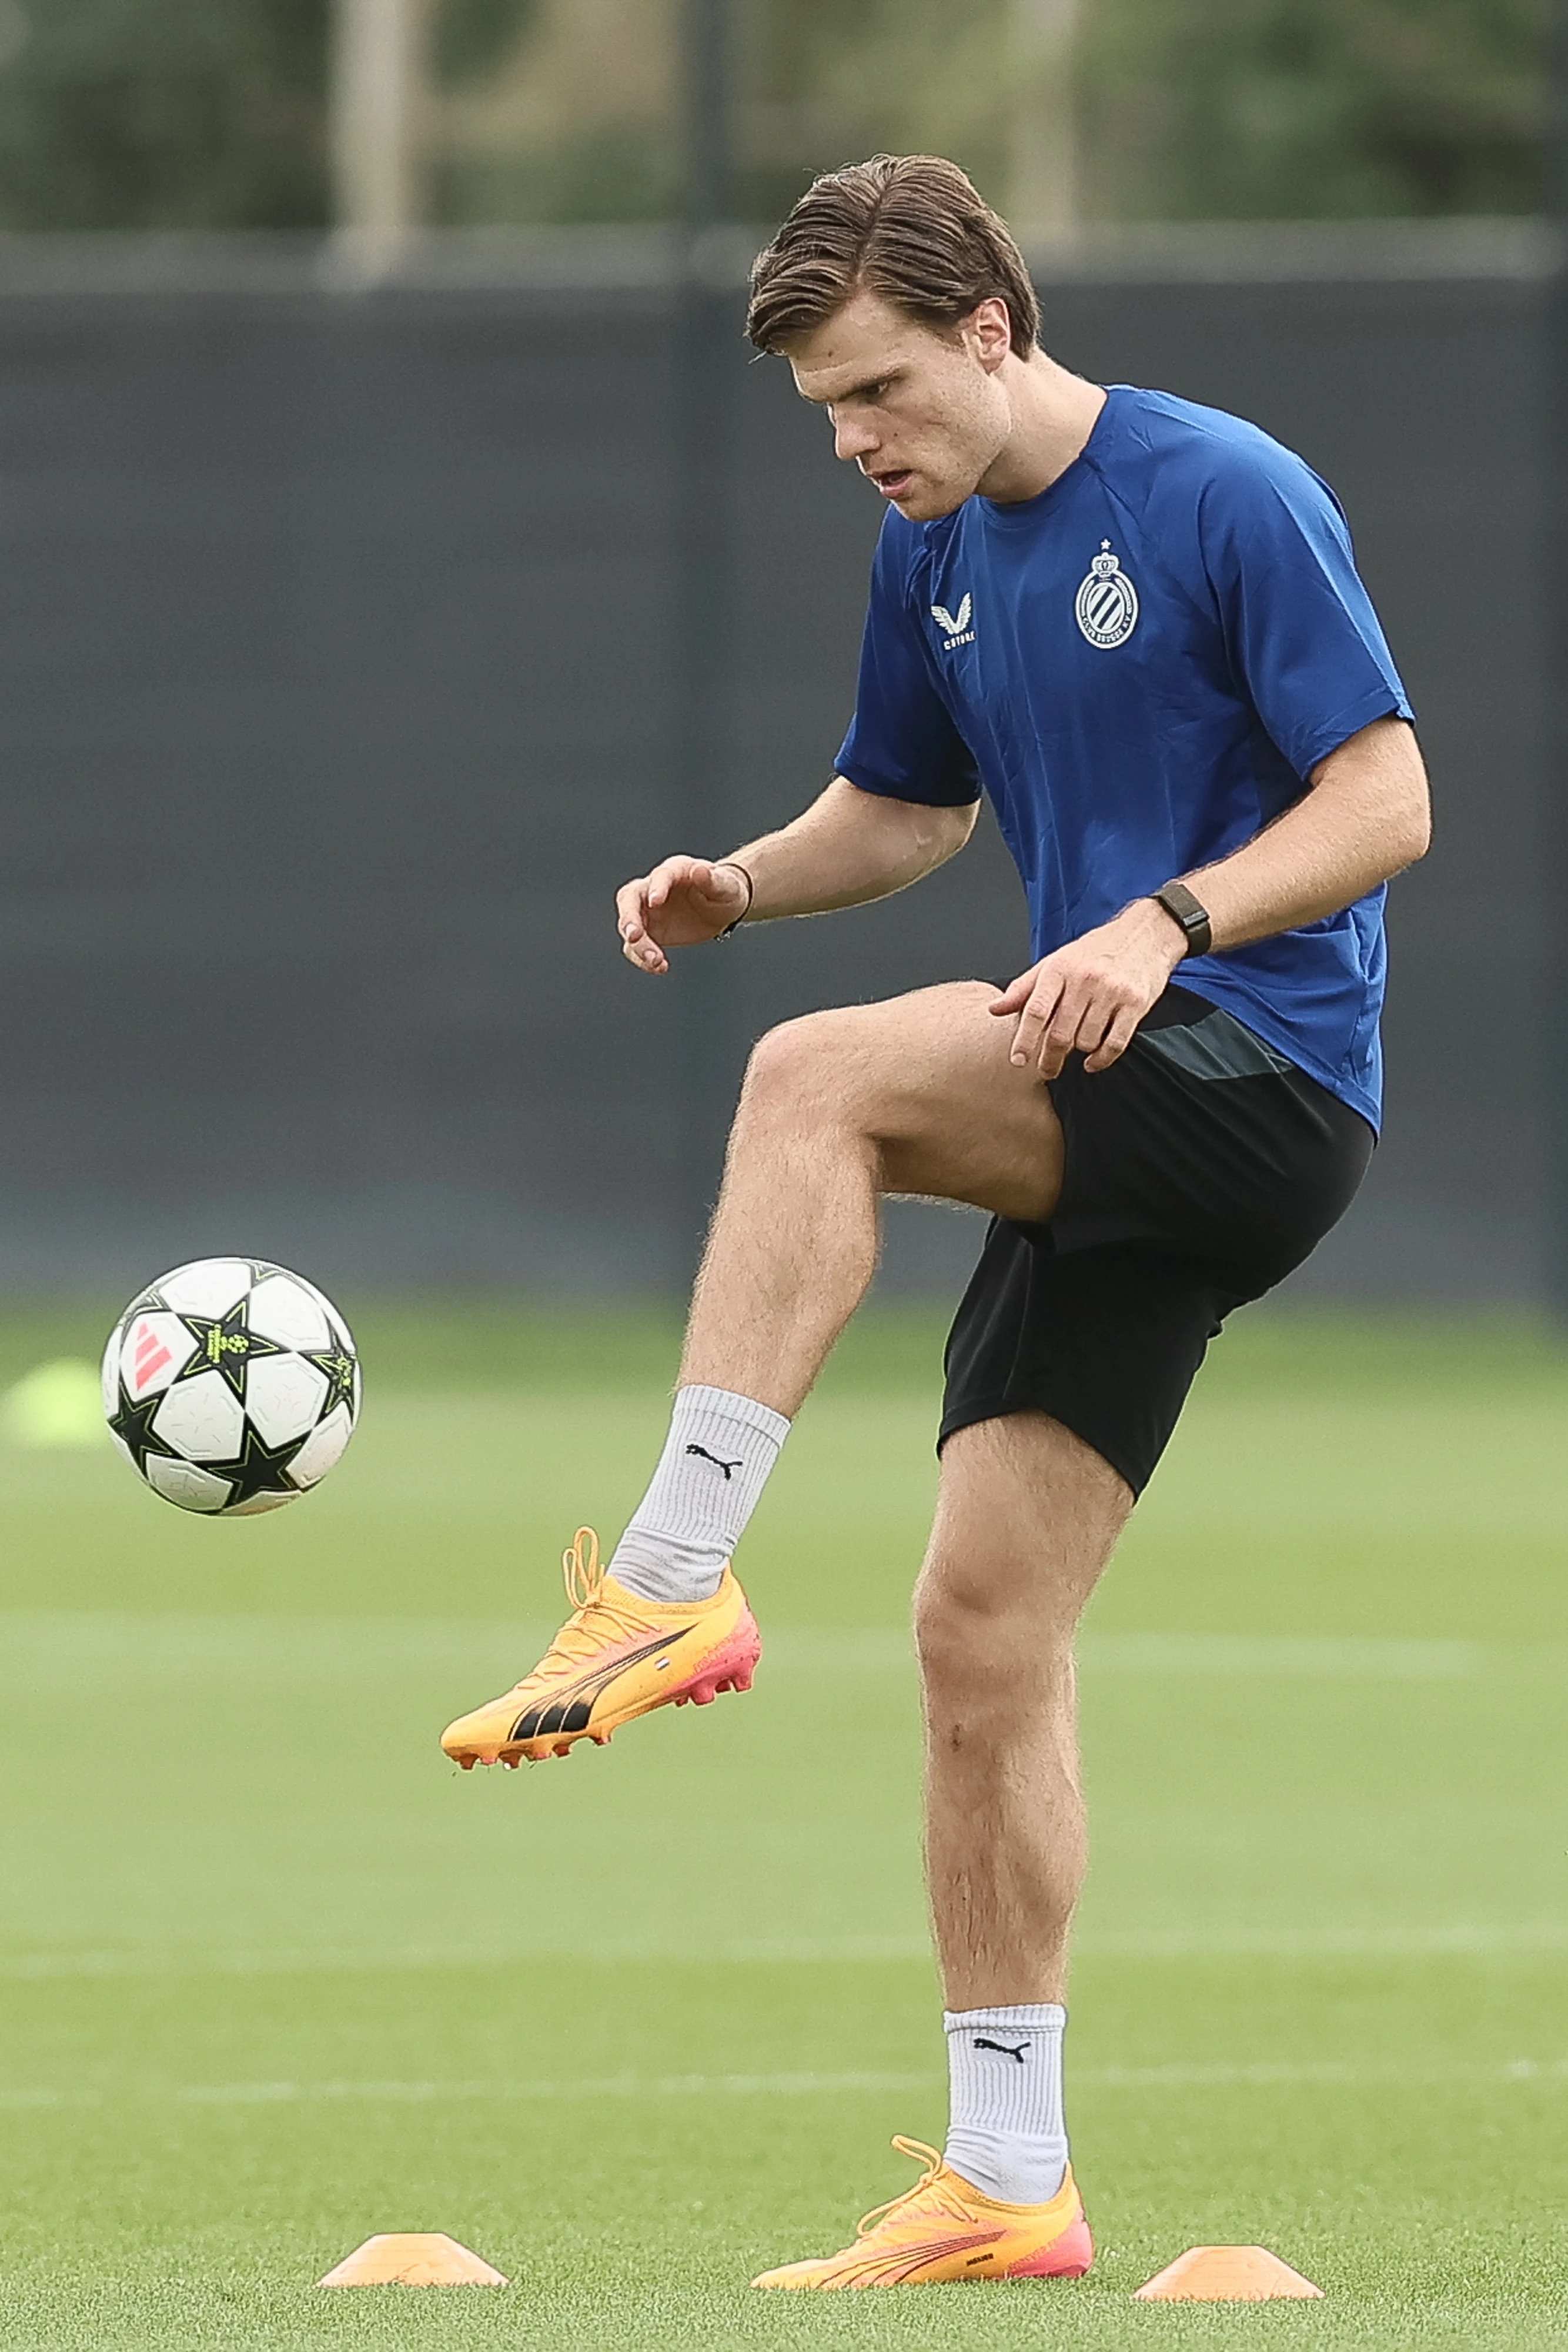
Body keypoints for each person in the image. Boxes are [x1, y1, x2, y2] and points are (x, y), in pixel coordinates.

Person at [442, 153, 1430, 2288]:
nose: (855, 440)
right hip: (1114, 1086)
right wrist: (748, 880)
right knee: (982, 1637)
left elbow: (1387, 800)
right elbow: (907, 806)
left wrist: (1168, 927)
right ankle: (1010, 2182)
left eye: (878, 388)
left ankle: (675, 1581)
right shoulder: (935, 548)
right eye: (822, 414)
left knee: (817, 1083)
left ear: (993, 324)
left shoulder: (1222, 492)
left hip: (1252, 1071)